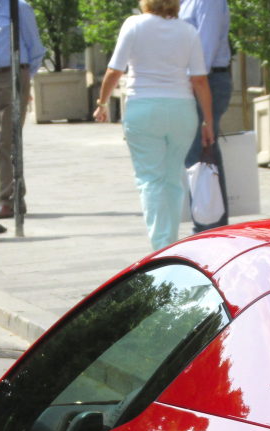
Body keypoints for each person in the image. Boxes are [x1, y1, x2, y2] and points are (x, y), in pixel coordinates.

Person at [93, 0, 214, 250]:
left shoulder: (134, 25)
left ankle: (160, 245)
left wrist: (102, 102)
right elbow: (200, 81)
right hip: (182, 110)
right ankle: (169, 241)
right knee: (172, 177)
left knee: (150, 179)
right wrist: (208, 122)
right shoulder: (188, 31)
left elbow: (115, 70)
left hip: (144, 108)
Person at [0, 0, 44, 218]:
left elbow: (35, 48)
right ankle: (16, 196)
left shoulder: (18, 7)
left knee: (8, 141)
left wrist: (24, 79)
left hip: (11, 74)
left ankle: (7, 201)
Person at [180, 0, 230, 230]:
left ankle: (207, 230)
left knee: (200, 155)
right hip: (196, 82)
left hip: (206, 81)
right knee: (204, 156)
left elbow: (205, 53)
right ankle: (212, 227)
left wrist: (192, 90)